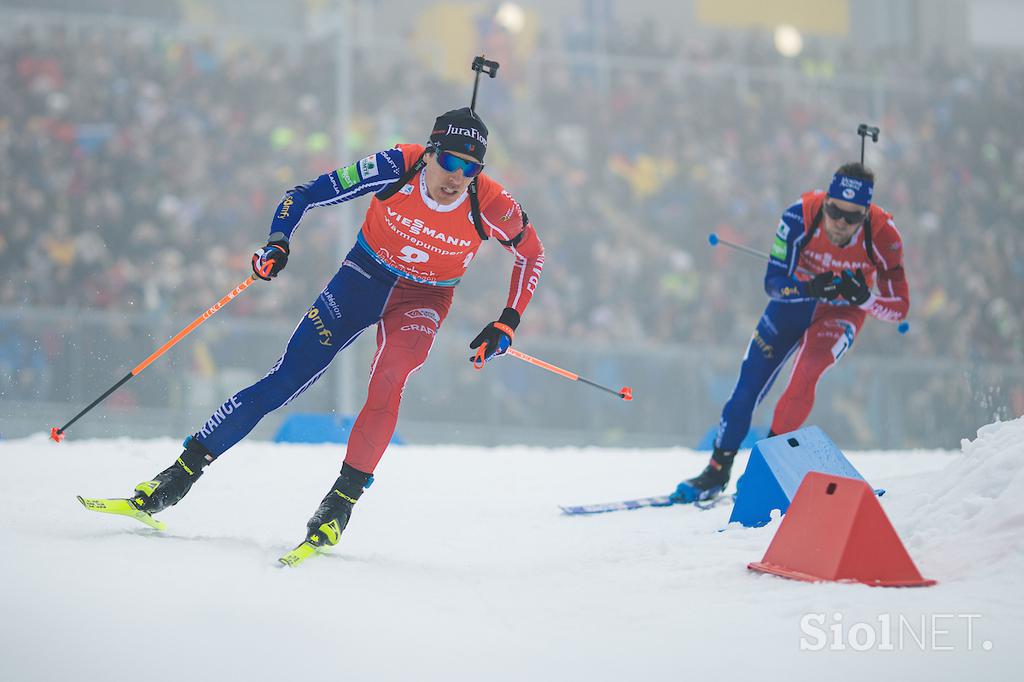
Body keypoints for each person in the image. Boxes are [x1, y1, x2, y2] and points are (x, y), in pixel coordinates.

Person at [123, 107, 544, 547]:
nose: (457, 176)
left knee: (390, 377)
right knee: (286, 379)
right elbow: (304, 193)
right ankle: (179, 473)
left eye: (470, 167)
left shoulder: (493, 203)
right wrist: (278, 241)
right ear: (430, 152)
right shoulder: (395, 166)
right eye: (450, 161)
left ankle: (340, 503)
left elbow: (532, 254)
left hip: (424, 299)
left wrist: (507, 322)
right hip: (362, 279)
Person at [671, 162, 909, 503]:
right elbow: (773, 283)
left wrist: (866, 298)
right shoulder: (800, 215)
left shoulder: (885, 235)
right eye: (834, 210)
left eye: (851, 217)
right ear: (826, 201)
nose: (840, 222)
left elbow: (899, 307)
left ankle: (764, 473)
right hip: (795, 303)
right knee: (748, 386)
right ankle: (716, 470)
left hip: (842, 312)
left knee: (805, 375)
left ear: (865, 214)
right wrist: (810, 286)